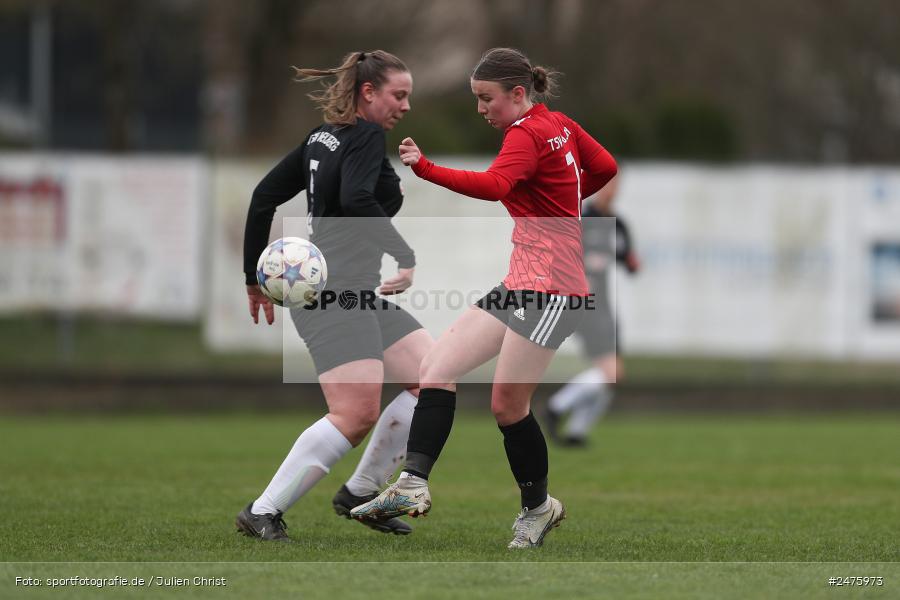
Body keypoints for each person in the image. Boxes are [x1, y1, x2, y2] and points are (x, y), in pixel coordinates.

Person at [351, 48, 617, 548]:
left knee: (508, 406)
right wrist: (557, 197)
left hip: (554, 288)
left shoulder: (527, 132)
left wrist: (425, 168)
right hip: (522, 279)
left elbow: (496, 185)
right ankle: (411, 484)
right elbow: (602, 168)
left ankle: (538, 509)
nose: (481, 109)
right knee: (437, 367)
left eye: (486, 99)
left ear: (518, 94)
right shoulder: (559, 124)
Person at [236, 50, 434, 541]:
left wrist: (251, 277)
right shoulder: (366, 135)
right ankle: (262, 510)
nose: (405, 106)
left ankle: (360, 494)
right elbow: (356, 199)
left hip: (350, 293)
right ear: (369, 93)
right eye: (399, 95)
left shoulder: (323, 136)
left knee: (432, 377)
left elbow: (263, 196)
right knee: (355, 413)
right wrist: (403, 253)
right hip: (336, 296)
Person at [545, 174, 640, 447]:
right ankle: (556, 407)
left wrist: (632, 262)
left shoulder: (618, 225)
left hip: (605, 305)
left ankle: (576, 432)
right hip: (585, 304)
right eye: (607, 183)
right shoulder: (583, 219)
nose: (611, 189)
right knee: (612, 373)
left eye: (616, 183)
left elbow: (628, 259)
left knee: (609, 376)